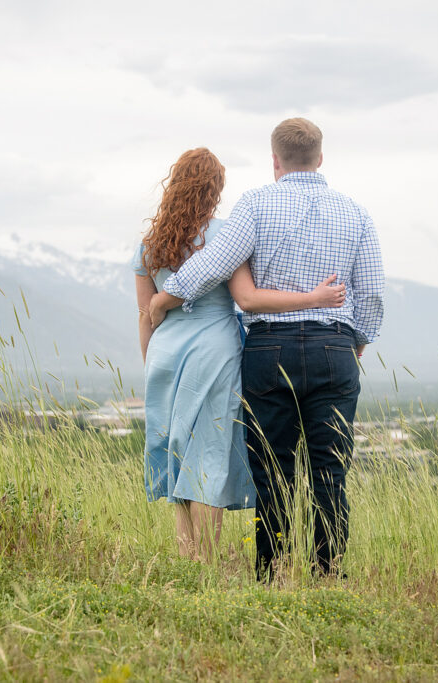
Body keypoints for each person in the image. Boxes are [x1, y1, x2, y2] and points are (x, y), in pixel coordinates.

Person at [150, 119, 384, 580]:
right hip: (332, 347)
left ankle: (272, 574)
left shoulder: (256, 204)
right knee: (328, 474)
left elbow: (214, 264)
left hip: (268, 352)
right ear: (320, 158)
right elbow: (372, 294)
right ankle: (327, 576)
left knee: (273, 473)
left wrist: (166, 296)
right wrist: (353, 343)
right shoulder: (356, 213)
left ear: (275, 160)